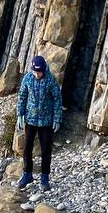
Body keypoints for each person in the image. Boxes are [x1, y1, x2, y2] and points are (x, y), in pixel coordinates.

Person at [16, 54, 63, 191]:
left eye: (39, 72)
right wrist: (20, 114)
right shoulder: (27, 78)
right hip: (30, 120)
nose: (37, 74)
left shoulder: (50, 80)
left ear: (44, 70)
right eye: (35, 72)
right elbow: (22, 96)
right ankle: (27, 174)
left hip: (46, 122)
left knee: (46, 150)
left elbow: (57, 99)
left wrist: (57, 118)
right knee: (27, 149)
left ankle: (44, 177)